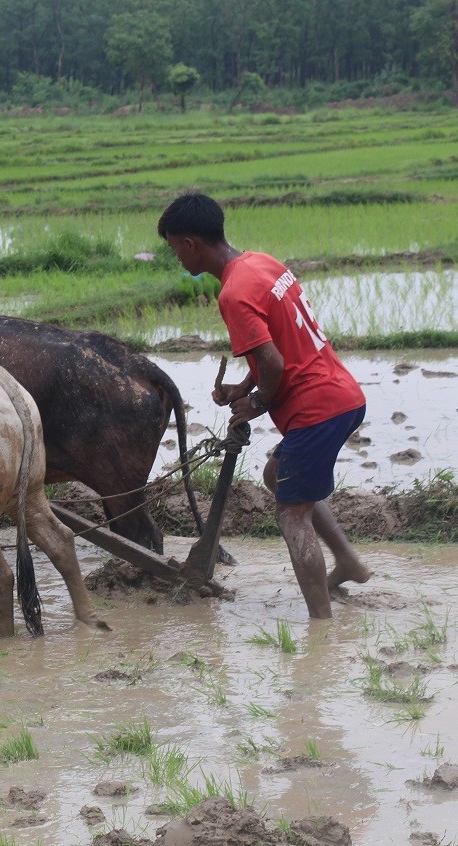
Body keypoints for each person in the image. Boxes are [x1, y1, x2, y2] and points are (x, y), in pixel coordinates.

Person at [157, 192, 371, 618]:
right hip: (341, 393)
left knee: (293, 515)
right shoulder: (262, 263)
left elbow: (273, 361)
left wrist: (256, 402)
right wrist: (243, 385)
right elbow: (277, 345)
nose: (176, 259)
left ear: (190, 244)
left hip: (318, 409)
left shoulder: (233, 294)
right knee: (278, 475)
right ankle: (348, 561)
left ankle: (320, 625)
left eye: (174, 248)